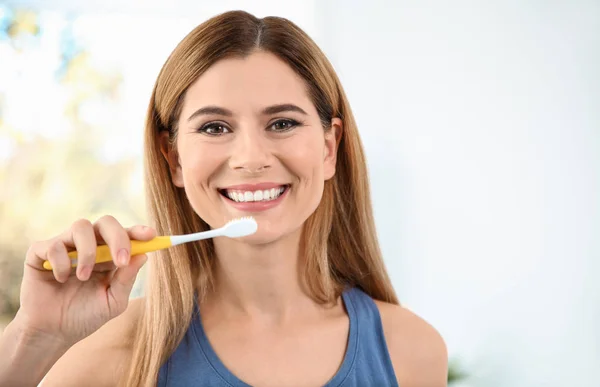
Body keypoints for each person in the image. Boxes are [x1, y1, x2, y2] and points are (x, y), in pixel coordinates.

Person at [0, 10, 447, 387]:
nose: (251, 158)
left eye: (283, 123)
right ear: (173, 158)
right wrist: (34, 338)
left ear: (329, 148)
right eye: (215, 127)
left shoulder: (411, 352)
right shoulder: (113, 358)